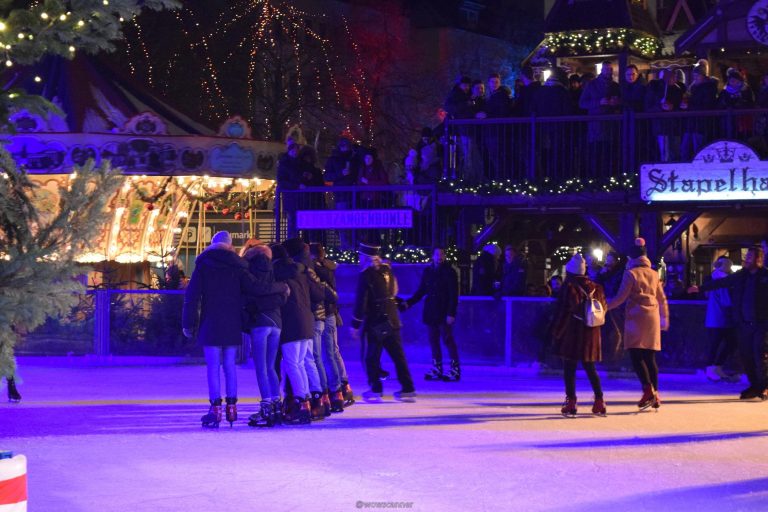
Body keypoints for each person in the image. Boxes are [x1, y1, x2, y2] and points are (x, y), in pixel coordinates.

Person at [182, 231, 288, 428]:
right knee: (229, 365)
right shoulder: (239, 266)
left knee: (213, 367)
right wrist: (281, 287)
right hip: (232, 322)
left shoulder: (203, 265)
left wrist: (188, 324)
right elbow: (255, 287)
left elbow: (192, 297)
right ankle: (232, 408)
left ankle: (215, 409)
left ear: (213, 244)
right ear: (230, 245)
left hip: (211, 322)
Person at [693, 246, 768, 400]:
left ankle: (765, 386)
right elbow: (722, 282)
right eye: (747, 257)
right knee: (746, 356)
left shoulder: (765, 276)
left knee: (760, 355)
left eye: (750, 257)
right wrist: (700, 288)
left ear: (759, 259)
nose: (747, 260)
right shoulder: (741, 275)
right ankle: (755, 386)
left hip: (762, 324)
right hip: (744, 324)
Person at [607, 238, 669, 411]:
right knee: (650, 357)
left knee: (636, 354)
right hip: (652, 317)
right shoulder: (654, 274)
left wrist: (605, 307)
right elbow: (661, 298)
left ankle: (648, 390)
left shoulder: (631, 274)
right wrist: (664, 318)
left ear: (631, 258)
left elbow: (621, 297)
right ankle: (655, 394)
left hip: (636, 317)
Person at [351, 243, 416, 402]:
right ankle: (408, 388)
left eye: (361, 255)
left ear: (366, 257)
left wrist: (355, 324)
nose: (359, 258)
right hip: (393, 319)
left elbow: (361, 301)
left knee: (371, 357)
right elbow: (393, 292)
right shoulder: (387, 270)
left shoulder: (366, 275)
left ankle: (376, 389)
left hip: (377, 321)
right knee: (398, 356)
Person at [281, 237, 338, 420]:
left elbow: (325, 293)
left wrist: (307, 302)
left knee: (303, 361)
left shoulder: (298, 270)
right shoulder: (306, 269)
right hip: (310, 319)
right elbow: (323, 292)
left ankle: (308, 400)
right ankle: (317, 400)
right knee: (308, 360)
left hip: (307, 319)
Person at [272, 242, 328, 423]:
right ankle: (310, 400)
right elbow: (318, 294)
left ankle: (302, 402)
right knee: (302, 362)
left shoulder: (277, 272)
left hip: (291, 322)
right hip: (307, 320)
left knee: (292, 363)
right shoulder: (301, 272)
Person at [551, 254, 608, 416]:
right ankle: (599, 400)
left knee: (569, 367)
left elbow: (562, 312)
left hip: (573, 333)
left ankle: (571, 402)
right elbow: (604, 308)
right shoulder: (597, 288)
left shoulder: (569, 287)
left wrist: (556, 332)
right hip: (592, 332)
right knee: (590, 367)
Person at [242, 244, 289, 427]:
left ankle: (266, 408)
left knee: (261, 368)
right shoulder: (275, 271)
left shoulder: (248, 271)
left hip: (259, 323)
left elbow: (250, 292)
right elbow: (283, 295)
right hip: (276, 322)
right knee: (271, 367)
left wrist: (253, 308)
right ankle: (276, 405)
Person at [401, 247, 460, 381]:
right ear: (433, 256)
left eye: (442, 254)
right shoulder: (428, 271)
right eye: (437, 254)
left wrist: (451, 313)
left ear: (444, 256)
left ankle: (455, 369)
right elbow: (422, 290)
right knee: (433, 340)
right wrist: (409, 302)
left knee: (448, 339)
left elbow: (453, 294)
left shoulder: (449, 271)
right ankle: (437, 367)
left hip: (444, 311)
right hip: (431, 311)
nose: (439, 257)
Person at [309, 242, 354, 409]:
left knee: (325, 354)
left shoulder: (316, 269)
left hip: (325, 313)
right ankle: (342, 388)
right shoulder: (328, 267)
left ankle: (334, 391)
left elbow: (324, 293)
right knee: (332, 351)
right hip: (331, 313)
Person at [703, 256, 739, 383]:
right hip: (719, 318)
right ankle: (712, 369)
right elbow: (726, 301)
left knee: (726, 343)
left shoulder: (716, 278)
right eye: (727, 265)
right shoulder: (720, 279)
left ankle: (715, 368)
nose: (729, 268)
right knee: (717, 344)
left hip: (717, 318)